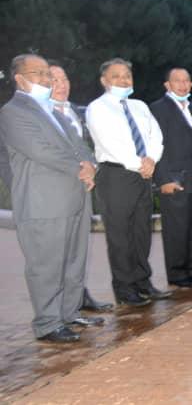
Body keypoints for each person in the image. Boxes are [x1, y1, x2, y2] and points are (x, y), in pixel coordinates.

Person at [1, 54, 100, 342]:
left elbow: (81, 145)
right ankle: (47, 323)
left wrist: (90, 165)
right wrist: (79, 168)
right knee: (46, 264)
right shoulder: (13, 112)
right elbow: (39, 150)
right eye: (39, 74)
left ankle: (68, 315)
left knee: (73, 261)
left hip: (75, 196)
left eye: (48, 74)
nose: (47, 79)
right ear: (19, 78)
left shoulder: (53, 112)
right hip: (43, 202)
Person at [85, 58, 170, 306]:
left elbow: (156, 135)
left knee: (142, 233)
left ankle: (143, 282)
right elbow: (109, 142)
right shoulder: (97, 108)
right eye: (116, 76)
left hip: (143, 175)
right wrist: (139, 164)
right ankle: (124, 289)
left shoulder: (140, 106)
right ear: (104, 81)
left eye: (127, 76)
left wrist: (152, 160)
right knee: (120, 236)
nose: (123, 80)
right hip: (116, 176)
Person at [47, 62, 115, 313]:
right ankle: (60, 307)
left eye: (64, 79)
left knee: (77, 251)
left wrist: (92, 167)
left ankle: (79, 297)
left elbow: (91, 146)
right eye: (54, 80)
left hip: (82, 190)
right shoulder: (42, 115)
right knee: (58, 253)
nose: (61, 85)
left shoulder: (76, 111)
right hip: (55, 193)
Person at [148, 68, 192, 289]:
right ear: (167, 85)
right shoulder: (157, 109)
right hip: (174, 179)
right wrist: (162, 179)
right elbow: (156, 146)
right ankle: (176, 273)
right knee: (176, 228)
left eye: (187, 81)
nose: (183, 85)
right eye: (177, 81)